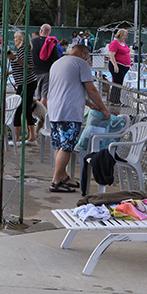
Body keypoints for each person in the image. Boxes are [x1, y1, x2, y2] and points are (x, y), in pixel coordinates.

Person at [48, 44, 110, 193]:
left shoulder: (58, 62)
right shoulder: (81, 63)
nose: (88, 61)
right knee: (67, 147)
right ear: (83, 53)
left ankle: (63, 176)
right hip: (69, 111)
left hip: (54, 109)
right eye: (88, 58)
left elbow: (70, 89)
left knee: (59, 145)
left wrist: (90, 105)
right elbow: (91, 89)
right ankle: (55, 182)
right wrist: (103, 108)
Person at [7, 31, 37, 145]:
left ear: (21, 40)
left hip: (27, 82)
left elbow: (27, 65)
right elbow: (21, 67)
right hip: (26, 82)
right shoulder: (22, 50)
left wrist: (13, 58)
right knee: (26, 109)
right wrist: (10, 72)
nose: (14, 40)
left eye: (16, 38)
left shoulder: (24, 50)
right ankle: (32, 137)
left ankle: (16, 138)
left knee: (17, 109)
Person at [31, 23, 59, 108]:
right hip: (47, 72)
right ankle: (43, 116)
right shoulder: (51, 43)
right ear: (49, 32)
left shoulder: (32, 42)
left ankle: (37, 115)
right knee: (45, 95)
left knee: (37, 96)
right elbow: (56, 59)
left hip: (34, 72)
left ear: (41, 31)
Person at [108, 28, 131, 103]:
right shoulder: (115, 43)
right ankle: (114, 100)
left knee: (120, 83)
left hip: (124, 66)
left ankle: (116, 99)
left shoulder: (123, 42)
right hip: (118, 65)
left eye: (125, 36)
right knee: (117, 83)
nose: (125, 37)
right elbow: (111, 55)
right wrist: (115, 65)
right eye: (123, 36)